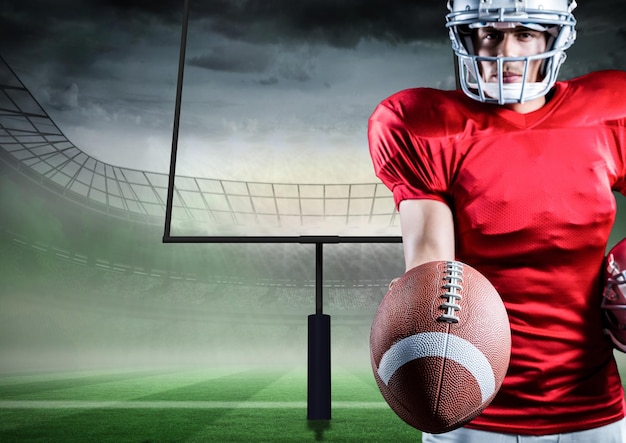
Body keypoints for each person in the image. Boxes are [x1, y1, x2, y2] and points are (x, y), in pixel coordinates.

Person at [368, 0, 626, 442]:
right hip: (469, 408)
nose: (505, 51)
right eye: (490, 34)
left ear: (553, 37)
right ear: (465, 38)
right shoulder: (425, 126)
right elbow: (431, 270)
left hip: (593, 407)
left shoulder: (608, 113)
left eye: (524, 33)